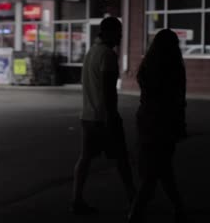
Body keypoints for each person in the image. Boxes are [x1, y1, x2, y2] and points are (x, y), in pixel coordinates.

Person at [71, 17, 136, 215]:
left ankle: (77, 200)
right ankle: (135, 201)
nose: (120, 36)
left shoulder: (91, 52)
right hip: (103, 118)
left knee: (85, 159)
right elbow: (109, 92)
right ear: (108, 32)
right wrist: (112, 119)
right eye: (118, 32)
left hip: (88, 116)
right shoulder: (107, 55)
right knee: (122, 160)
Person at [127, 29, 188, 222]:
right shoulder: (174, 67)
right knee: (157, 170)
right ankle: (136, 213)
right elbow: (178, 100)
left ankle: (178, 208)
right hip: (165, 122)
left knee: (160, 167)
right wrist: (180, 125)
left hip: (146, 120)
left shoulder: (147, 66)